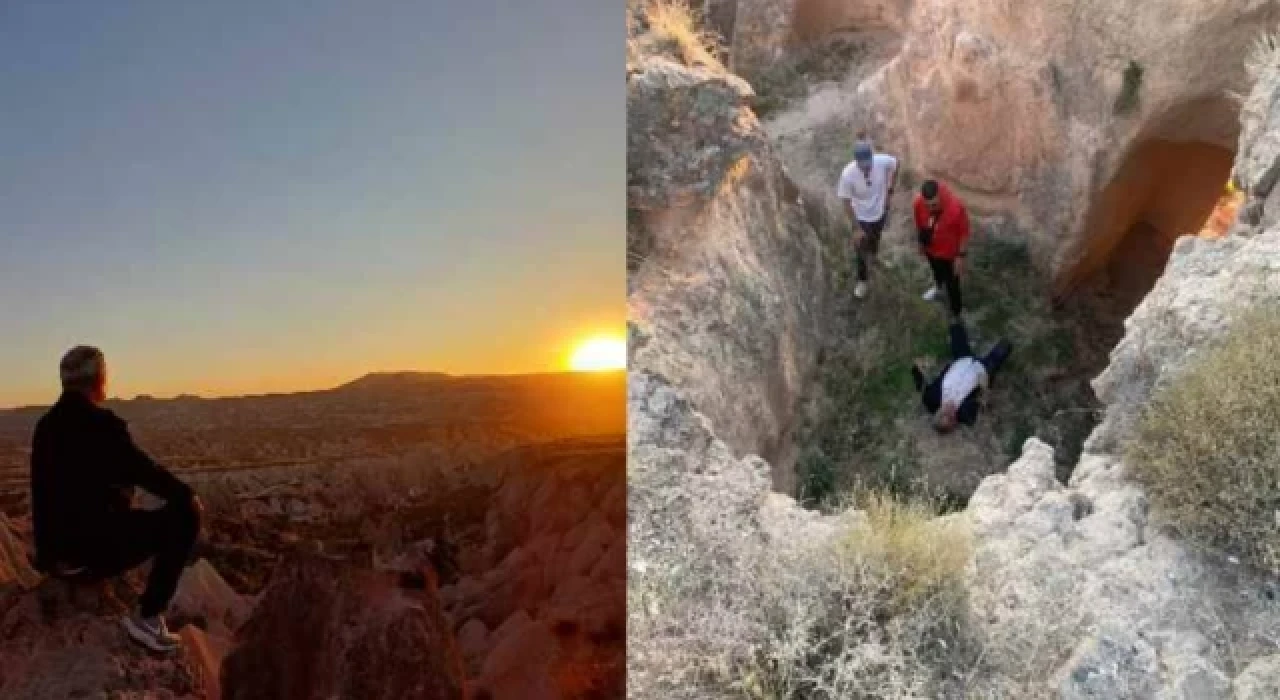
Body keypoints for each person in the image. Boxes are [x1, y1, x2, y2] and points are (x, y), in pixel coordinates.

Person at [30, 345, 204, 654]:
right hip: (89, 553)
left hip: (55, 556)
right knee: (184, 517)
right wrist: (186, 495)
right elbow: (144, 471)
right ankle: (148, 618)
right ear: (99, 380)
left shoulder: (45, 427)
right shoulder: (102, 425)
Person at [912, 321, 1012, 433]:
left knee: (955, 326)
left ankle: (955, 319)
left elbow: (919, 382)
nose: (951, 413)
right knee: (1004, 348)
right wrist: (985, 388)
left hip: (960, 360)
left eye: (945, 414)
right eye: (952, 419)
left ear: (937, 412)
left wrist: (919, 366)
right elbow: (984, 403)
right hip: (981, 369)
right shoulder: (965, 414)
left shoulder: (931, 399)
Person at [837, 136, 898, 299]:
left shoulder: (881, 161)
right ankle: (862, 280)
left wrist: (890, 191)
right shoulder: (848, 175)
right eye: (862, 165)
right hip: (861, 217)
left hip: (879, 212)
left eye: (868, 164)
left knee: (876, 239)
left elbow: (895, 164)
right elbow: (846, 201)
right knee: (860, 249)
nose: (866, 168)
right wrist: (856, 228)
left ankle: (875, 258)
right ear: (856, 162)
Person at [913, 179, 971, 319]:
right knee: (936, 273)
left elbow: (964, 233)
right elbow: (919, 225)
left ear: (940, 196)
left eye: (934, 204)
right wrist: (921, 244)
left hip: (949, 255)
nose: (930, 208)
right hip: (931, 251)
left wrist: (960, 256)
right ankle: (939, 290)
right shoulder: (918, 203)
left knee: (952, 284)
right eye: (927, 205)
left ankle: (956, 312)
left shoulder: (956, 208)